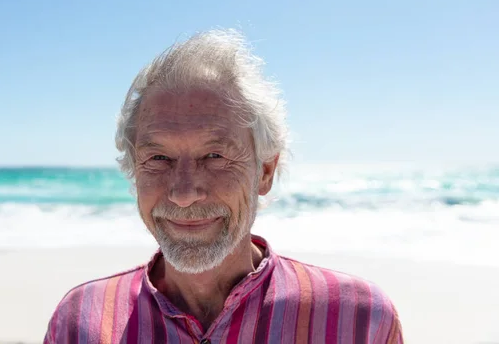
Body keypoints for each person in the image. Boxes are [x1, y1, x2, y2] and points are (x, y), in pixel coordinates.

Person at [43, 29, 403, 344]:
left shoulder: (357, 320)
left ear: (264, 171)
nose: (184, 193)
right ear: (134, 171)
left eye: (214, 156)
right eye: (158, 159)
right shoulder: (81, 321)